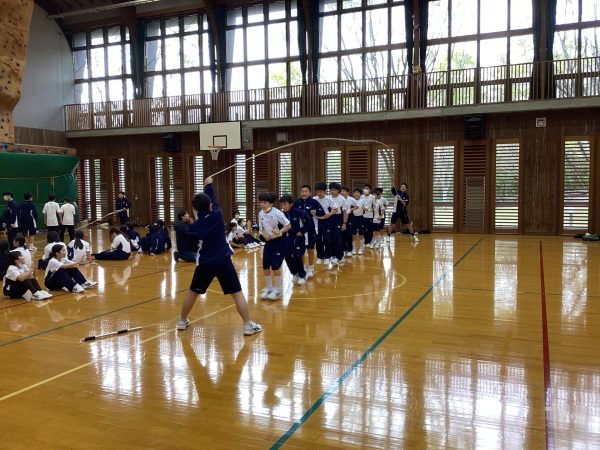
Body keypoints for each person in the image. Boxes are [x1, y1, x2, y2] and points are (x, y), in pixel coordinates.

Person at [176, 176, 262, 336]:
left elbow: (194, 222)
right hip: (223, 261)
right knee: (237, 293)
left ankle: (182, 321)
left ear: (195, 210)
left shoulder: (195, 226)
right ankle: (248, 325)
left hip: (205, 263)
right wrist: (208, 185)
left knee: (193, 292)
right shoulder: (217, 214)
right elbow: (213, 199)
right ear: (209, 205)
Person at [258, 192, 291, 300]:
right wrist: (263, 235)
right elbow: (261, 228)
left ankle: (278, 289)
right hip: (269, 242)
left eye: (265, 202)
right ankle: (269, 288)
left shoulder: (278, 213)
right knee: (265, 265)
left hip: (280, 241)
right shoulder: (260, 213)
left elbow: (288, 225)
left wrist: (279, 232)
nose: (262, 204)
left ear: (271, 203)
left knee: (275, 265)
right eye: (261, 202)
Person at [293, 185, 322, 278]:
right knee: (301, 251)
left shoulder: (314, 202)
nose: (304, 193)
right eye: (302, 191)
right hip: (300, 230)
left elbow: (322, 212)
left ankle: (311, 268)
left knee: (310, 249)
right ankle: (302, 268)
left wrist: (316, 212)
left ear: (310, 193)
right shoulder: (297, 202)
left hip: (311, 229)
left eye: (306, 191)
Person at [280, 195, 308, 285]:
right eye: (282, 205)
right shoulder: (281, 214)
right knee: (287, 255)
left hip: (298, 237)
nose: (283, 206)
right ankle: (294, 273)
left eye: (285, 204)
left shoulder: (300, 212)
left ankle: (302, 275)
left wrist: (302, 231)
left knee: (297, 256)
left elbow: (310, 223)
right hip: (287, 238)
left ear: (291, 204)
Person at [313, 182, 337, 265]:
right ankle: (320, 256)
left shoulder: (329, 199)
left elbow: (335, 209)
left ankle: (328, 257)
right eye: (317, 191)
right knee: (318, 239)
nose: (319, 193)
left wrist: (329, 214)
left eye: (321, 191)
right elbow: (310, 209)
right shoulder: (314, 199)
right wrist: (312, 212)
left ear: (324, 191)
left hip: (327, 221)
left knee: (327, 239)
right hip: (317, 221)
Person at [328, 182, 348, 266]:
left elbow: (345, 212)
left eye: (334, 190)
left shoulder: (342, 199)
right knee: (330, 238)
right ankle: (333, 255)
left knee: (338, 238)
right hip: (330, 218)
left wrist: (344, 223)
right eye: (331, 190)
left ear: (338, 190)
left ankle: (340, 256)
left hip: (338, 218)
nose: (332, 191)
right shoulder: (328, 198)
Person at [351, 188, 366, 254]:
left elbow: (367, 208)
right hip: (353, 218)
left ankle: (361, 249)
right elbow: (348, 209)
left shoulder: (363, 200)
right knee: (353, 234)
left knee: (361, 234)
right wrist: (353, 208)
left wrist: (365, 208)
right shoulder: (351, 200)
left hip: (361, 218)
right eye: (355, 193)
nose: (356, 194)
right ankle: (354, 249)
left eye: (357, 193)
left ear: (360, 194)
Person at [360, 184, 376, 248]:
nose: (366, 190)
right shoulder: (361, 197)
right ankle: (365, 241)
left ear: (370, 190)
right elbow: (360, 205)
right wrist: (364, 208)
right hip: (363, 215)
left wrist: (370, 209)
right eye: (365, 188)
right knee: (364, 229)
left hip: (370, 215)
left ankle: (369, 242)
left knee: (370, 229)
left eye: (367, 188)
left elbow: (374, 205)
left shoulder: (372, 197)